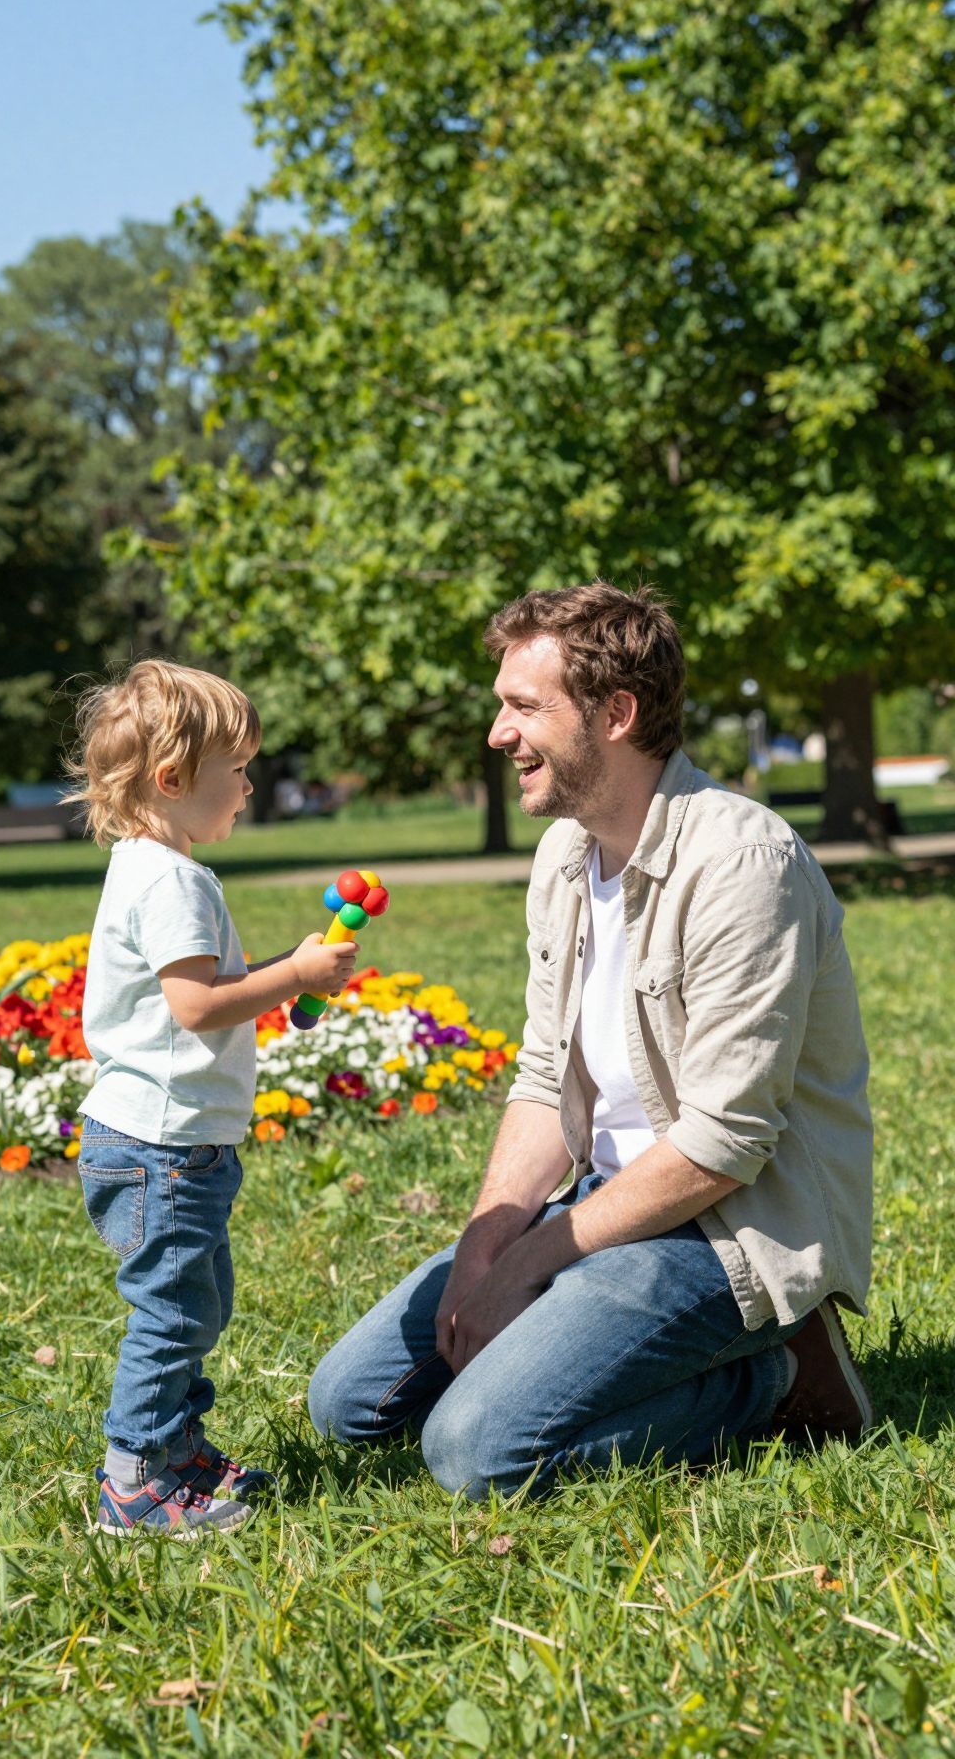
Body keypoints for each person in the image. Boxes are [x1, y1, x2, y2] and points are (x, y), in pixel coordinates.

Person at [309, 583, 874, 1497]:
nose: (498, 733)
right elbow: (542, 1078)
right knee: (350, 1405)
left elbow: (725, 1146)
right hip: (602, 1205)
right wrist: (484, 1251)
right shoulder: (565, 855)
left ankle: (771, 1377)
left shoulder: (742, 865)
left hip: (724, 1230)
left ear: (617, 713)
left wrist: (533, 1262)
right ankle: (640, 1353)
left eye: (524, 707)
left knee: (474, 1452)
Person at [68, 659, 358, 1539]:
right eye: (236, 769)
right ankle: (135, 1481)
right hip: (164, 1147)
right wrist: (296, 974)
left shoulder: (149, 867)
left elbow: (202, 985)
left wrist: (283, 982)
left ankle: (177, 1446)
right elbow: (197, 1008)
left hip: (157, 1139)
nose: (249, 785)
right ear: (172, 780)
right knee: (175, 1311)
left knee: (200, 1301)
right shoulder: (173, 881)